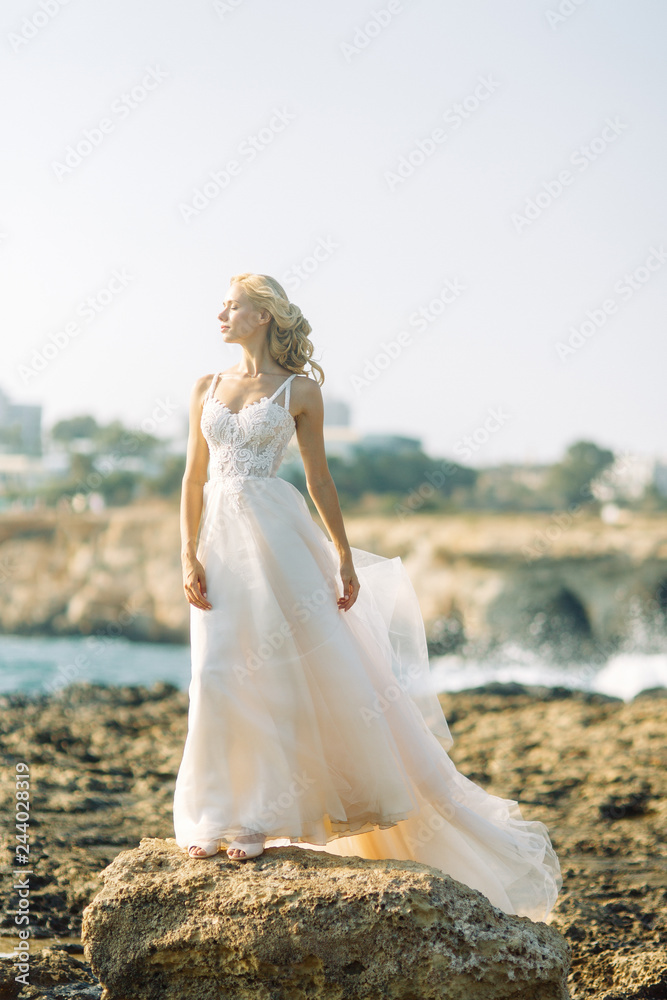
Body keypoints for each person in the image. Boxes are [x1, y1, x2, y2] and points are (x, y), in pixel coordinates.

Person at [172, 272, 563, 921]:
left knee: (276, 675)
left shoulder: (301, 391)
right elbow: (191, 477)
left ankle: (258, 820)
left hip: (280, 538)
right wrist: (187, 551)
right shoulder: (203, 387)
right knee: (216, 673)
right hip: (219, 539)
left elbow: (320, 478)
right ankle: (214, 814)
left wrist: (343, 554)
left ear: (263, 315)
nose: (220, 314)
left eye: (232, 305)